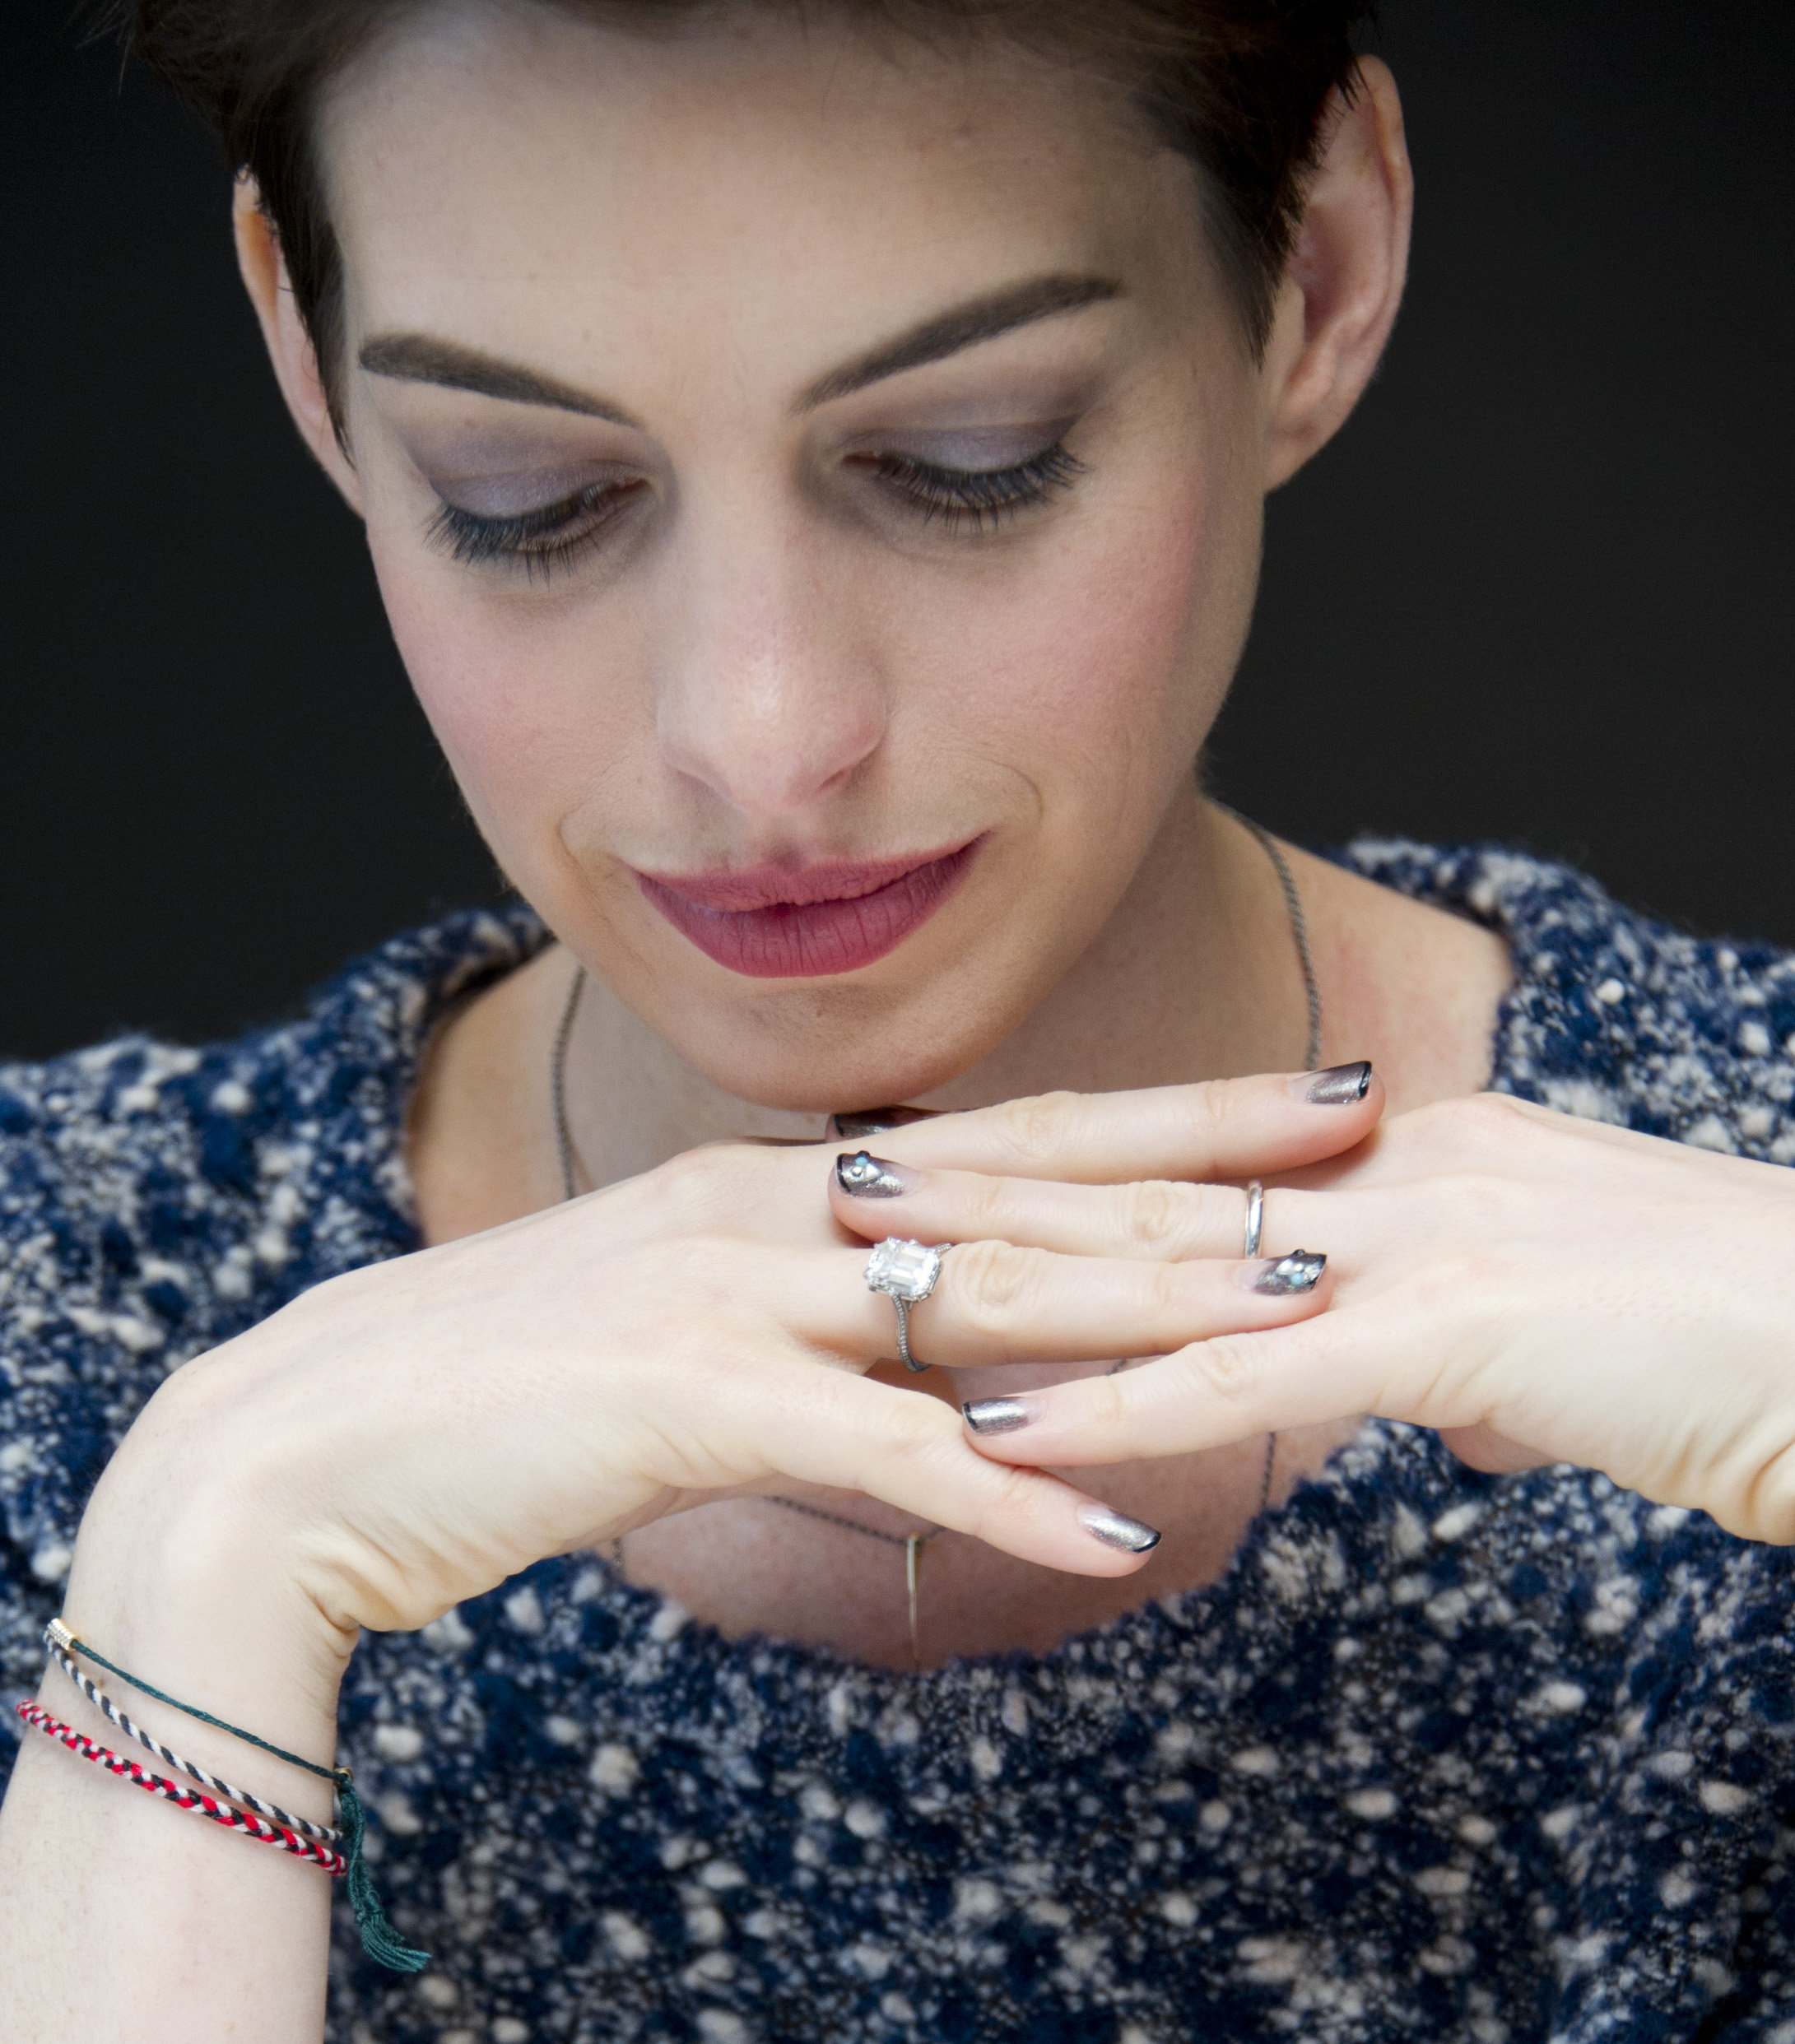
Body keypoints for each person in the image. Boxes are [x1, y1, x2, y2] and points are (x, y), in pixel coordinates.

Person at [3, 0, 1794, 2037]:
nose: (758, 737)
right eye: (524, 491)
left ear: (1313, 270)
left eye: (967, 461)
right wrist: (198, 1590)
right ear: (304, 356)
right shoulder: (60, 1333)